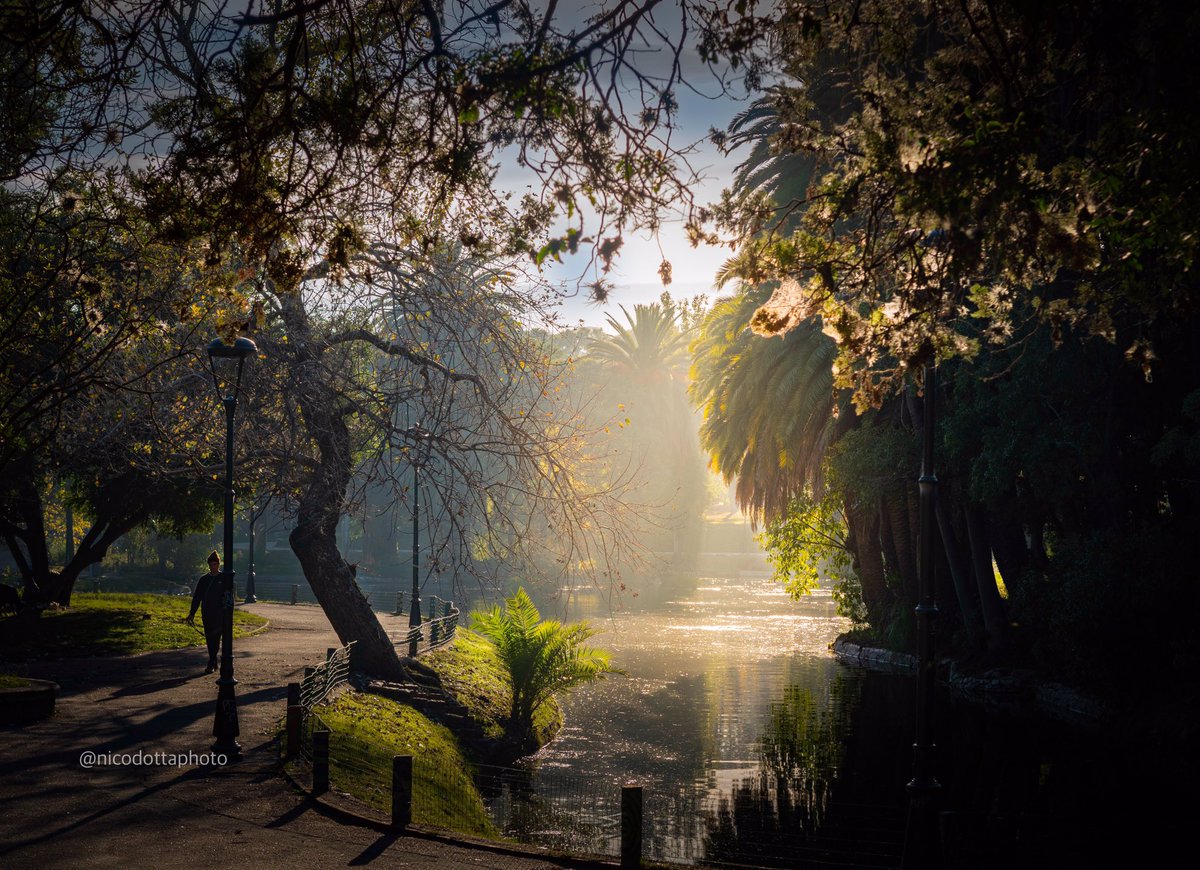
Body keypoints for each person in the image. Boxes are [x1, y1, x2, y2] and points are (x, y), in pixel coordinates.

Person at [186, 551, 224, 674]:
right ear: (208, 565)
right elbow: (197, 597)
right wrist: (192, 613)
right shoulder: (204, 580)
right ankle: (213, 660)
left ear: (219, 564)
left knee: (216, 637)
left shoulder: (224, 578)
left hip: (219, 614)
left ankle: (211, 662)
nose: (213, 566)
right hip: (206, 613)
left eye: (215, 564)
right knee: (209, 638)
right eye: (211, 564)